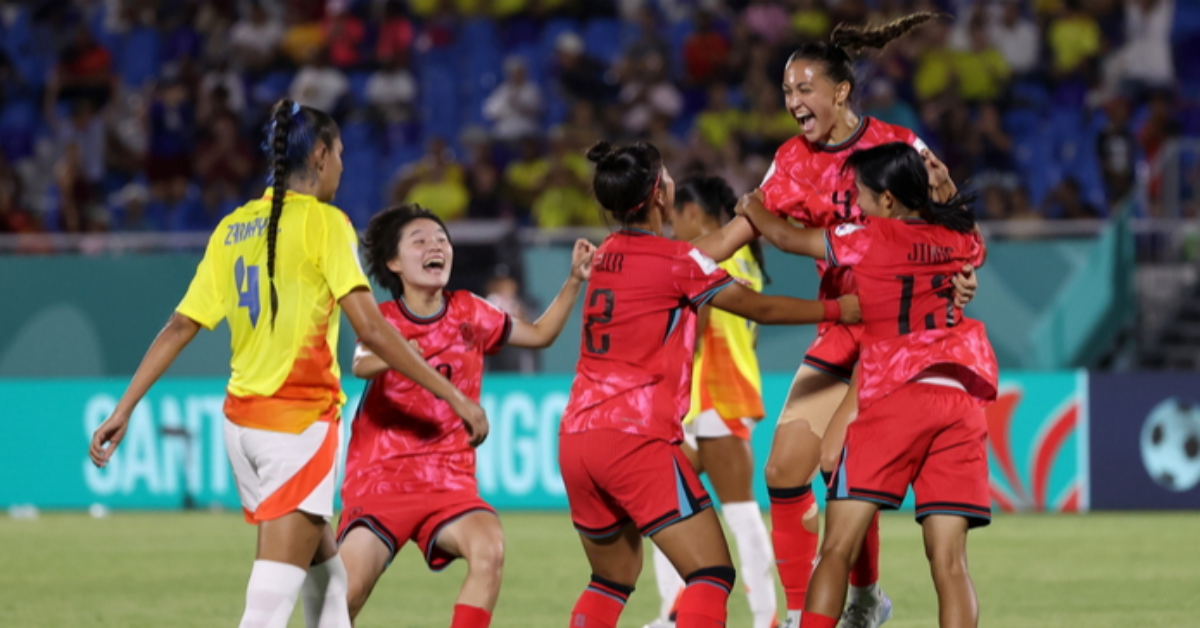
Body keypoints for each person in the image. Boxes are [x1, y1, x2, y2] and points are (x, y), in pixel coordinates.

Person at [87, 99, 487, 628]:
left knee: (329, 582)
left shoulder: (233, 227)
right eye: (340, 153)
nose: (344, 164)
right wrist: (454, 395)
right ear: (320, 155)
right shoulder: (325, 224)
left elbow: (181, 325)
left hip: (242, 430)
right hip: (295, 428)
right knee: (267, 609)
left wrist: (125, 406)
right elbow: (372, 329)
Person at [689, 15, 978, 628]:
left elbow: (954, 225)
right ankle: (806, 613)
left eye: (804, 89)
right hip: (843, 325)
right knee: (783, 468)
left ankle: (862, 601)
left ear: (840, 92)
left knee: (833, 463)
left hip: (894, 334)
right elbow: (738, 231)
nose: (793, 101)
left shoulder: (899, 147)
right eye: (787, 91)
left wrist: (961, 275)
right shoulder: (790, 162)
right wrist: (667, 262)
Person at [559, 140, 861, 628]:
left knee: (609, 581)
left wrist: (763, 199)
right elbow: (757, 306)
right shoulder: (676, 263)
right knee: (711, 574)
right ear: (660, 194)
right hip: (635, 438)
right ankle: (767, 612)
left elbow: (702, 251)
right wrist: (837, 310)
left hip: (577, 440)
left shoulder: (610, 255)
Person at [736, 141, 996, 628]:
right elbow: (971, 239)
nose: (856, 202)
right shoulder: (959, 238)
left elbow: (788, 239)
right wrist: (943, 187)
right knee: (951, 563)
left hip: (895, 396)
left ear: (890, 201)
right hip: (958, 400)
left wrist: (752, 205)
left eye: (862, 194)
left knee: (836, 548)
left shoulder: (869, 237)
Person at [338, 204, 595, 628]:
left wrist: (572, 281)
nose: (435, 246)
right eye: (419, 241)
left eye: (441, 240)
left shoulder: (471, 312)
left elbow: (541, 335)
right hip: (381, 482)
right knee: (346, 595)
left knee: (489, 546)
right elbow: (362, 362)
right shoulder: (382, 322)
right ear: (394, 263)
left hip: (448, 483)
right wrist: (398, 357)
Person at [646, 176, 778, 628]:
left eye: (676, 216)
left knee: (738, 511)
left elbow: (697, 325)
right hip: (705, 400)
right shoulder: (746, 258)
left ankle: (768, 618)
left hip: (721, 395)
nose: (673, 225)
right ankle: (671, 613)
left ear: (693, 214)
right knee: (666, 508)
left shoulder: (717, 258)